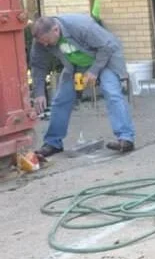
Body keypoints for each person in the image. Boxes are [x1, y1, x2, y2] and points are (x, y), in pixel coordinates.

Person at [29, 14, 136, 157]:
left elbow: (107, 46)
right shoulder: (41, 40)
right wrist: (39, 92)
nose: (46, 45)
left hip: (105, 59)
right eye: (43, 42)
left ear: (56, 30)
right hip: (76, 66)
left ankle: (126, 138)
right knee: (61, 100)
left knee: (111, 92)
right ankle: (53, 143)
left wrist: (94, 71)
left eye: (47, 41)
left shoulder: (81, 26)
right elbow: (38, 65)